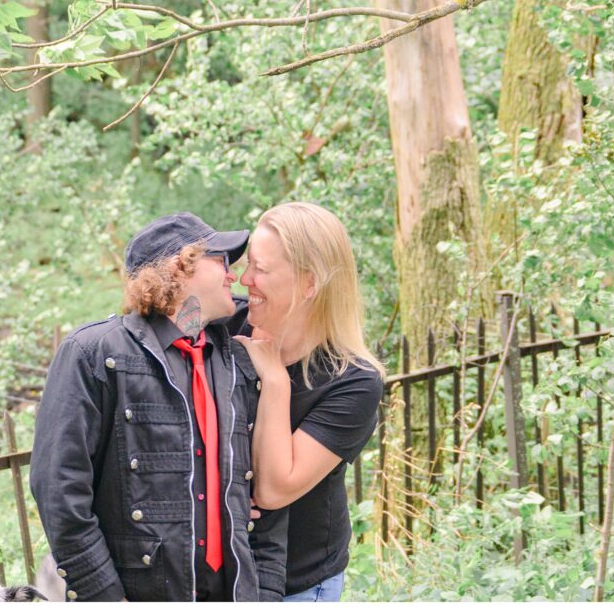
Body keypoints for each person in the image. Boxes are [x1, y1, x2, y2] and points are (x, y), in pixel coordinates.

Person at [30, 212, 286, 602]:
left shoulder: (238, 358)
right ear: (178, 268)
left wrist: (265, 594)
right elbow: (60, 494)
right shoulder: (94, 354)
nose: (231, 274)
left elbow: (265, 501)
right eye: (219, 260)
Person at [230, 202, 385, 602]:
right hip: (221, 568)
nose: (244, 278)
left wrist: (276, 382)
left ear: (309, 283)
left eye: (261, 269)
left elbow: (274, 489)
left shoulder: (354, 382)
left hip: (300, 583)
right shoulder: (227, 325)